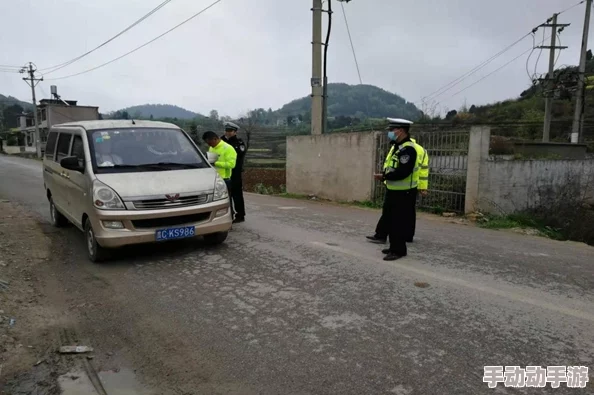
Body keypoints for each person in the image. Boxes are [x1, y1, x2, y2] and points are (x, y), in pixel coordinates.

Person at [368, 118, 424, 261]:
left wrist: (385, 176)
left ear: (401, 130)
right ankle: (394, 247)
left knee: (398, 222)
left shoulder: (408, 149)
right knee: (391, 219)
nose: (390, 132)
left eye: (392, 130)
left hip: (404, 191)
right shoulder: (398, 147)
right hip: (394, 190)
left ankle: (398, 250)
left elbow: (404, 171)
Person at [221, 121, 247, 223]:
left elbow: (239, 155)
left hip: (235, 172)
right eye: (226, 130)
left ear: (235, 132)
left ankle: (240, 215)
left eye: (230, 131)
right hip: (223, 172)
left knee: (237, 194)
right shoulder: (221, 141)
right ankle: (228, 215)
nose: (227, 132)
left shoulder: (238, 143)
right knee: (225, 195)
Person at [202, 131, 237, 195]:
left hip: (224, 179)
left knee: (225, 201)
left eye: (209, 143)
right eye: (207, 143)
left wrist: (215, 163)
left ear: (215, 139)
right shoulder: (211, 148)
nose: (209, 145)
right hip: (213, 178)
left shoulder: (228, 148)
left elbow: (231, 164)